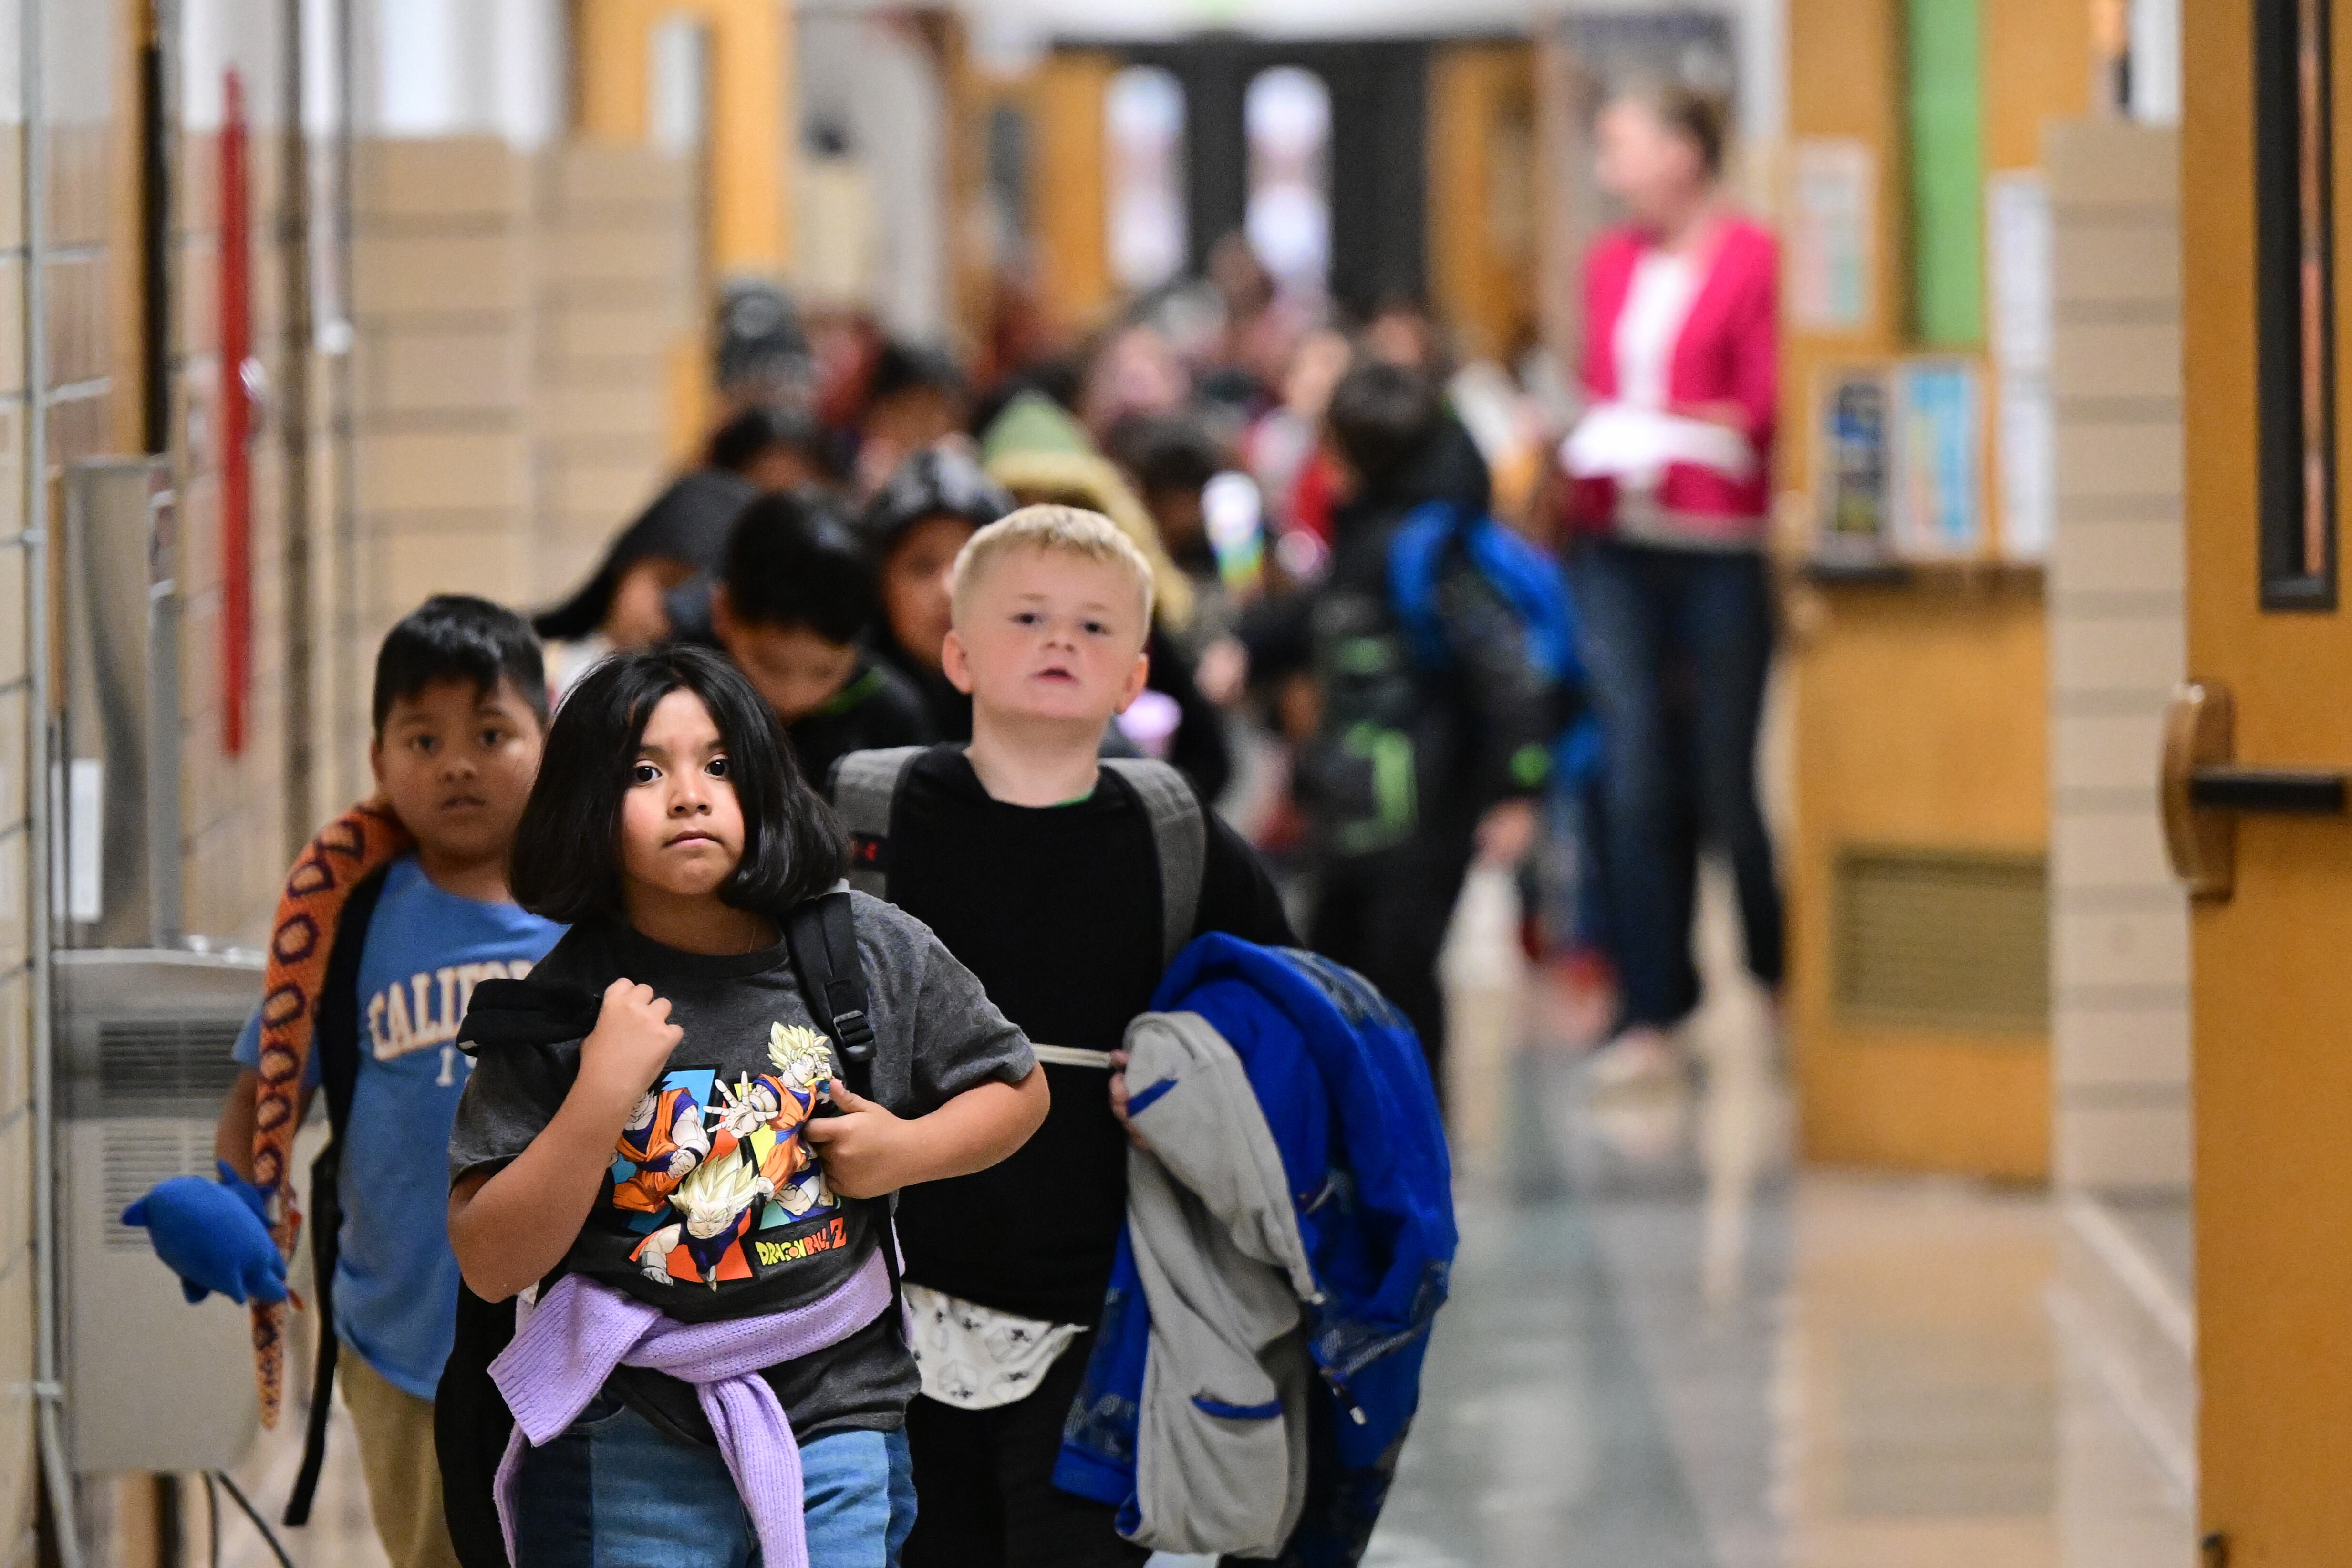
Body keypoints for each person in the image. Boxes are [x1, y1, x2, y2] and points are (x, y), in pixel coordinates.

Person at [445, 646, 1050, 1568]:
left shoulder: (865, 952)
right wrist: (600, 1096)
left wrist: (906, 1149)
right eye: (644, 772)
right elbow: (491, 1261)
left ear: (765, 782)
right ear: (584, 809)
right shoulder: (558, 1003)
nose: (689, 794)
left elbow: (1018, 1088)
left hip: (839, 1408)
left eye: (719, 765)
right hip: (628, 1424)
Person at [838, 505, 1297, 1568]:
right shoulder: (871, 811)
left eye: (1093, 628)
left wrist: (1201, 1064)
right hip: (886, 1301)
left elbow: (1287, 1004)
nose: (1059, 641)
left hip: (1101, 1310)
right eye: (1028, 616)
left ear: (1135, 675)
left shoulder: (1173, 830)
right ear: (955, 653)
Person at [149, 596, 561, 1568]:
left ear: (549, 738)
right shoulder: (353, 920)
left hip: (576, 1337)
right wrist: (238, 1201)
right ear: (379, 760)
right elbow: (265, 1086)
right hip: (399, 1339)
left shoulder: (586, 913)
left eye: (491, 732)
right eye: (424, 737)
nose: (457, 762)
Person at [1239, 360, 1555, 1074]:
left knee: (1398, 979)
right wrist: (1246, 650)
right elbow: (1317, 617)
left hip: (1422, 811)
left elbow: (1506, 676)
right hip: (1360, 810)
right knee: (1340, 971)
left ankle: (1411, 1155)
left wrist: (1518, 790)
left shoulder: (1429, 551)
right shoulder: (1371, 540)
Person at [1558, 81, 1782, 1083]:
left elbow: (1763, 408)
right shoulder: (1608, 266)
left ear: (1684, 149)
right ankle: (1651, 1004)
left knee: (1724, 780)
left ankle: (1774, 980)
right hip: (1617, 542)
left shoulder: (1753, 259)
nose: (1608, 170)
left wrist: (1677, 428)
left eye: (1621, 143)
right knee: (1631, 770)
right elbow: (1599, 389)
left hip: (1717, 545)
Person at [694, 488, 932, 785]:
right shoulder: (679, 697)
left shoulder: (889, 718)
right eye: (772, 665)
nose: (795, 697)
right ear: (722, 613)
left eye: (825, 673)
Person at [858, 444, 1017, 741]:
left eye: (972, 565)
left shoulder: (1049, 699)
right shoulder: (838, 699)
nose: (949, 590)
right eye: (923, 567)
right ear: (878, 582)